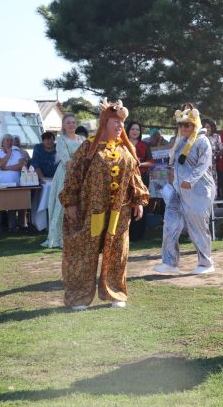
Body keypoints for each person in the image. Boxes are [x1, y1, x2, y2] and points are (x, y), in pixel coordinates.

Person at [60, 99, 149, 310]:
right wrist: (70, 201)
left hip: (119, 211)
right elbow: (73, 174)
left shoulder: (126, 150)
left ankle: (115, 293)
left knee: (117, 251)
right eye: (115, 122)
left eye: (121, 123)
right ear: (104, 123)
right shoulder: (88, 148)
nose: (120, 127)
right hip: (91, 211)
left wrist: (138, 200)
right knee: (84, 250)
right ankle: (79, 296)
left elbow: (134, 176)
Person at [154, 103, 216, 275]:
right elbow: (175, 164)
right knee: (170, 224)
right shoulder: (180, 141)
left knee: (197, 227)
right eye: (180, 125)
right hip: (178, 191)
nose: (183, 128)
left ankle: (206, 263)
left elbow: (203, 166)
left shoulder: (203, 141)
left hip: (199, 192)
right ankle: (170, 262)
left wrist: (190, 180)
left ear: (195, 124)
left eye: (187, 124)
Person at [44, 114, 84, 249]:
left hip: (82, 175)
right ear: (63, 125)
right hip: (66, 175)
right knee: (63, 204)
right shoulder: (61, 141)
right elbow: (67, 161)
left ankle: (79, 235)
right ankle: (60, 237)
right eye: (68, 123)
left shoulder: (83, 139)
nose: (71, 125)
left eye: (73, 122)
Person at [126, 121, 154, 241]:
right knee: (128, 204)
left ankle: (139, 235)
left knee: (141, 204)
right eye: (133, 129)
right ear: (128, 130)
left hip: (142, 177)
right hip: (125, 177)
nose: (135, 132)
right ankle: (126, 234)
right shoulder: (123, 144)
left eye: (137, 129)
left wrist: (139, 163)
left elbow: (151, 162)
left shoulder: (144, 145)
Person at [0, 134, 27, 233]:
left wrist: (6, 168)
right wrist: (8, 154)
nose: (10, 142)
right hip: (0, 184)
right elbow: (0, 164)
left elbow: (20, 166)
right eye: (7, 140)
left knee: (12, 205)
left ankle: (12, 227)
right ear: (2, 142)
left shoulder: (17, 154)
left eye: (11, 140)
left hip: (14, 183)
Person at [202, 118, 223, 186]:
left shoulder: (216, 137)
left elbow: (222, 148)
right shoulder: (199, 138)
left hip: (212, 165)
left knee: (213, 186)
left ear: (211, 128)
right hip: (201, 166)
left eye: (208, 127)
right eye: (204, 127)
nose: (206, 129)